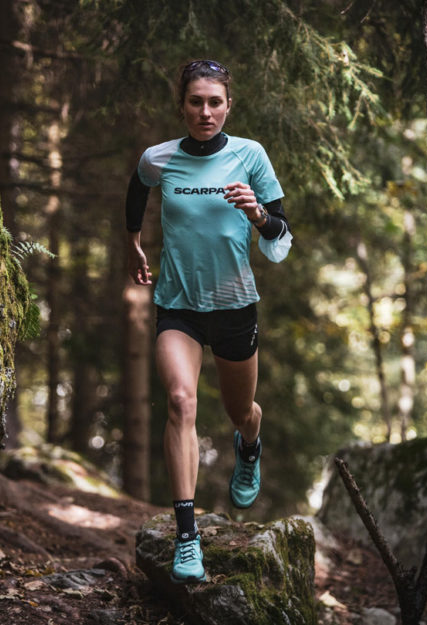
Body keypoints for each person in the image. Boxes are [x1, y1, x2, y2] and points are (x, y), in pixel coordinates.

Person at [125, 59, 292, 584]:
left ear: (228, 105)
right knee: (180, 402)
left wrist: (259, 214)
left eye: (214, 101)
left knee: (239, 409)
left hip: (235, 307)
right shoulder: (162, 158)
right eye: (195, 101)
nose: (205, 111)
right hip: (179, 307)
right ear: (182, 105)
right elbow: (137, 185)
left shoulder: (251, 156)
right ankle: (187, 536)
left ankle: (250, 442)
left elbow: (282, 237)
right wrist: (133, 240)